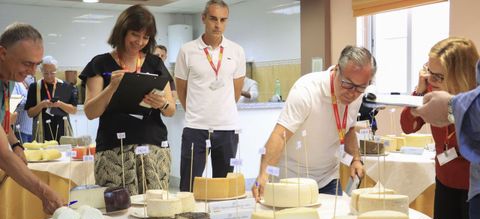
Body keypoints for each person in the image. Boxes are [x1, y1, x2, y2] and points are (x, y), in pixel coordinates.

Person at [253, 46, 376, 200]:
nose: (352, 93)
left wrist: (356, 159)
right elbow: (280, 135)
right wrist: (264, 173)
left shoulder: (356, 95)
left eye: (360, 88)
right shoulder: (306, 90)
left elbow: (349, 129)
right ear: (337, 70)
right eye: (348, 84)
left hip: (328, 179)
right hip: (292, 180)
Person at [400, 37, 480, 219]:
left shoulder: (471, 104)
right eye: (428, 73)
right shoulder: (433, 96)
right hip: (445, 183)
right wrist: (419, 90)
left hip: (472, 189)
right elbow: (408, 125)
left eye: (438, 76)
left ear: (460, 73)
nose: (431, 81)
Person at [80, 5, 175, 195]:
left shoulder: (155, 63)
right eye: (135, 34)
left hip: (153, 147)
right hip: (114, 150)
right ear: (122, 31)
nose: (140, 42)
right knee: (117, 209)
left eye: (146, 37)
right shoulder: (100, 63)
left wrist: (161, 103)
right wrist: (112, 87)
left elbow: (170, 109)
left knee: (155, 209)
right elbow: (90, 112)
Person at [175, 0, 246, 192]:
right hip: (195, 128)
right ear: (204, 18)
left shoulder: (237, 51)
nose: (218, 25)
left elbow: (236, 92)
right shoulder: (187, 51)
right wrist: (196, 111)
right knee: (189, 187)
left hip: (227, 129)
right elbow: (181, 89)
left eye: (223, 20)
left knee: (223, 189)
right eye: (213, 19)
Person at [0, 22, 64, 214]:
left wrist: (16, 145)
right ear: (2, 53)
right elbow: (2, 155)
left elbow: (3, 123)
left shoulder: (9, 79)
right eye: (27, 63)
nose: (32, 72)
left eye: (36, 64)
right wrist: (44, 193)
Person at [26, 56, 77, 142]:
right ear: (41, 71)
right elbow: (30, 113)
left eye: (52, 73)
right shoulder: (34, 87)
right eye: (46, 73)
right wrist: (42, 105)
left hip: (62, 130)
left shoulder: (65, 86)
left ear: (56, 70)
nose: (49, 76)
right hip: (42, 131)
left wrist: (60, 104)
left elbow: (73, 110)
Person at [12, 75, 34, 142]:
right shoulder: (16, 84)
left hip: (33, 129)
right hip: (20, 129)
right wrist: (30, 102)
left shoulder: (32, 82)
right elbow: (14, 103)